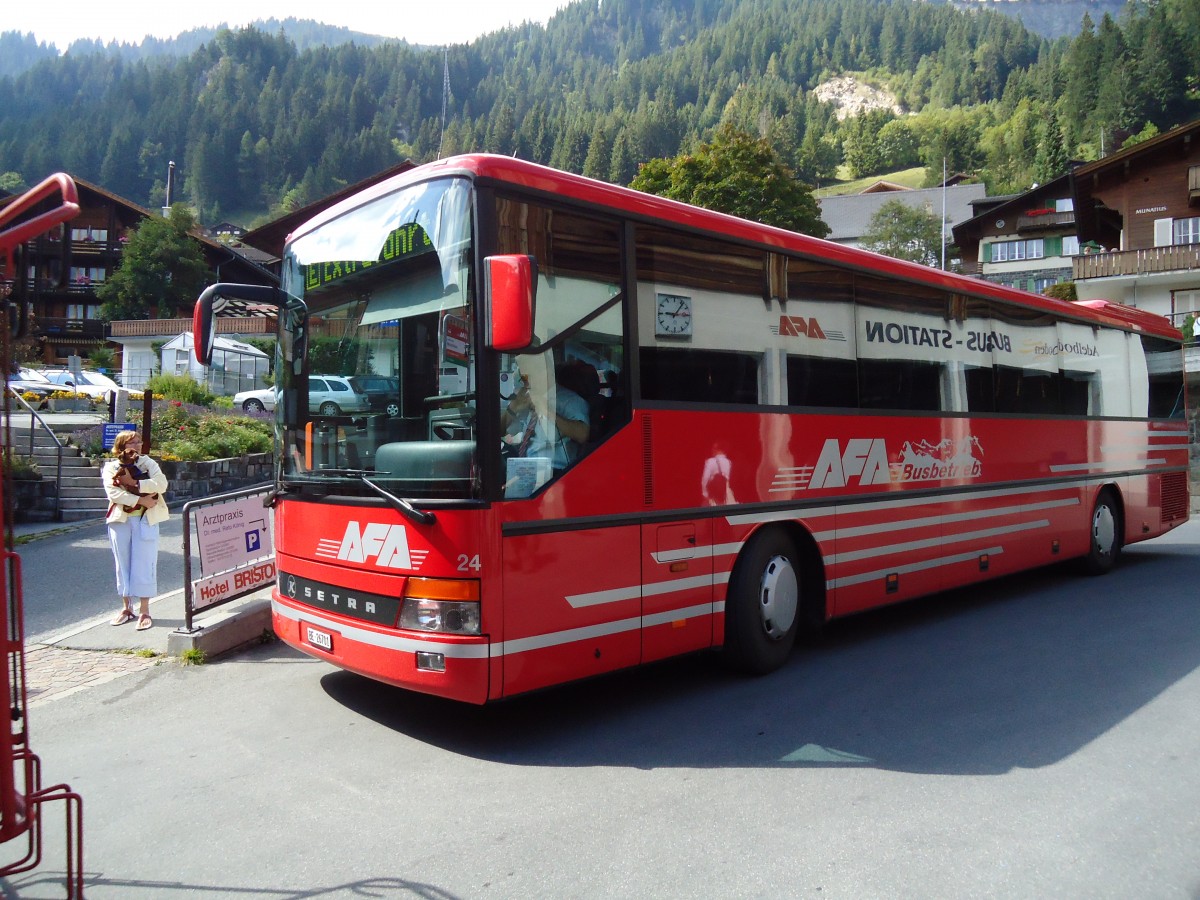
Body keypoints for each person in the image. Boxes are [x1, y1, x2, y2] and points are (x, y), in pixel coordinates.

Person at [103, 430, 168, 631]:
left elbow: (162, 484)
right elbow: (112, 492)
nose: (137, 446)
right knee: (122, 563)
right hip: (120, 520)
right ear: (122, 446)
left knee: (145, 562)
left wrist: (136, 483)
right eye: (132, 443)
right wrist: (140, 499)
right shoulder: (111, 466)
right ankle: (126, 608)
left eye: (139, 441)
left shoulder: (148, 463)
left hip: (145, 520)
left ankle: (145, 610)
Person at [501, 367, 590, 470]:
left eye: (527, 377)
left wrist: (546, 410)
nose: (525, 384)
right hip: (526, 470)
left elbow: (582, 434)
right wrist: (513, 408)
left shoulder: (570, 400)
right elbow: (498, 433)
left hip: (556, 473)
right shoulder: (527, 399)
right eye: (523, 379)